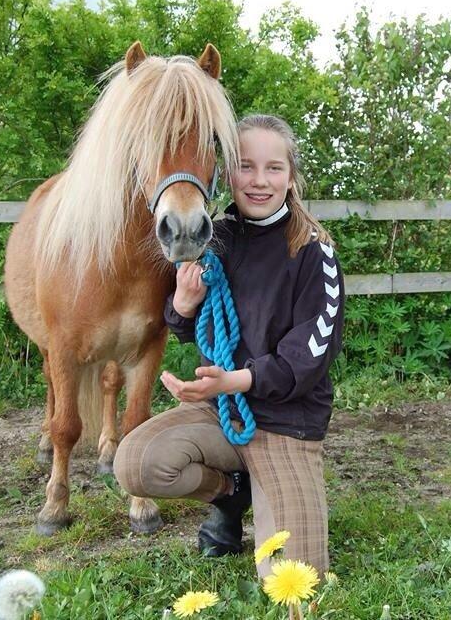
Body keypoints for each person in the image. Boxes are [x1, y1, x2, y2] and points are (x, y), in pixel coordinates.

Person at [114, 114, 345, 577]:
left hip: (285, 424)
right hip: (225, 413)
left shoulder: (314, 252)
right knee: (136, 463)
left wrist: (232, 380)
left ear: (291, 176)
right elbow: (191, 325)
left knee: (291, 581)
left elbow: (308, 358)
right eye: (246, 166)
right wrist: (181, 304)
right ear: (226, 172)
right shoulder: (215, 239)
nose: (260, 181)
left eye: (274, 168)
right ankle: (232, 491)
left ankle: (269, 489)